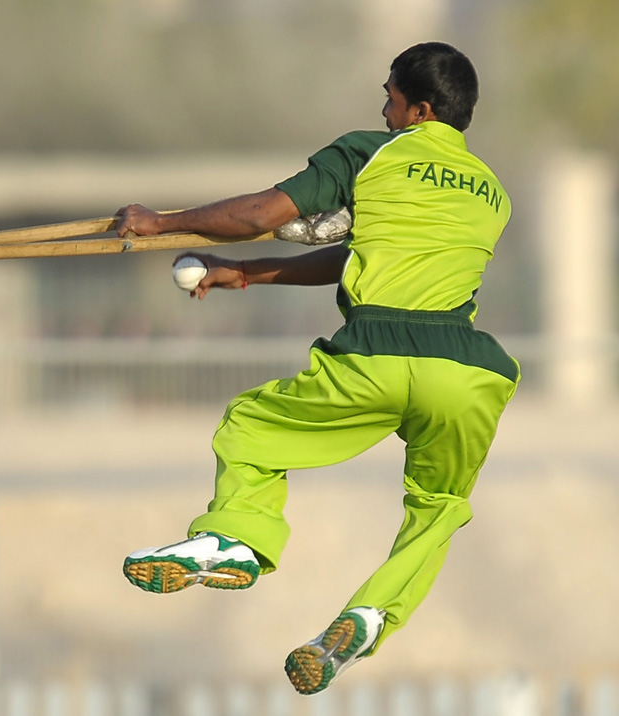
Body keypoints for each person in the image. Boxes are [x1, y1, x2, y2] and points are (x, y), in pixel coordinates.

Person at [115, 41, 520, 695]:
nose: (381, 109)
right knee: (439, 508)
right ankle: (366, 616)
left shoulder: (370, 152)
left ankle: (235, 540)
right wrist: (242, 275)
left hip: (376, 359)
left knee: (250, 426)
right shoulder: (491, 193)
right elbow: (358, 257)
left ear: (418, 109)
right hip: (466, 374)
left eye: (389, 97)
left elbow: (256, 215)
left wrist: (161, 221)